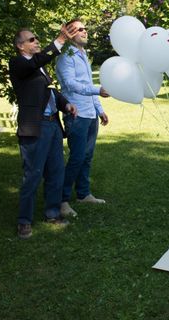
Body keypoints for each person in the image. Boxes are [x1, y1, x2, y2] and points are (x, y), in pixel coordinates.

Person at [9, 25, 78, 239]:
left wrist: (65, 104)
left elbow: (49, 91)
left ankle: (52, 213)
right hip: (35, 127)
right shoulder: (19, 63)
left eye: (37, 38)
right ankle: (24, 221)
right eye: (32, 39)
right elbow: (38, 61)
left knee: (56, 171)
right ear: (21, 46)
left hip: (52, 126)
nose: (36, 41)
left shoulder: (39, 66)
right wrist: (59, 41)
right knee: (33, 175)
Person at [56, 18, 109, 218]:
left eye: (85, 29)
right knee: (77, 157)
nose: (85, 32)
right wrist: (97, 89)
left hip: (90, 113)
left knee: (87, 157)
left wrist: (99, 109)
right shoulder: (66, 57)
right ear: (70, 33)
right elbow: (69, 84)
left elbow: (86, 82)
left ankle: (84, 194)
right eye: (80, 30)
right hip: (75, 114)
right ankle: (62, 200)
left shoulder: (82, 54)